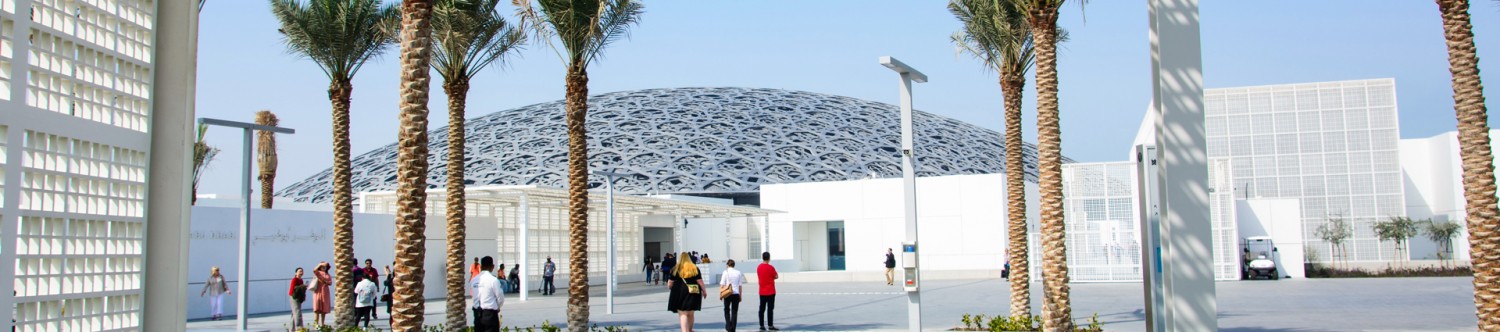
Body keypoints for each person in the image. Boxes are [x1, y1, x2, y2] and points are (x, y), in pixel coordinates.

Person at [667, 252, 707, 332]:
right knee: (691, 313)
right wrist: (704, 291)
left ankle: (684, 331)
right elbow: (700, 281)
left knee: (683, 313)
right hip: (693, 291)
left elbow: (670, 282)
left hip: (679, 292)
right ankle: (690, 329)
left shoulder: (676, 268)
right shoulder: (694, 268)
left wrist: (671, 287)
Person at [470, 256, 504, 332]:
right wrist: (498, 307)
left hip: (477, 315)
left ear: (481, 267)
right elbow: (500, 298)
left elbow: (473, 295)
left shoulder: (474, 280)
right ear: (492, 267)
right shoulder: (493, 280)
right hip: (490, 315)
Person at [720, 259, 745, 332]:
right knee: (734, 312)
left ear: (727, 265)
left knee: (726, 309)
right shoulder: (738, 273)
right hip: (736, 293)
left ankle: (728, 326)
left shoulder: (725, 272)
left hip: (727, 293)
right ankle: (733, 329)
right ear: (734, 265)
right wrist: (740, 296)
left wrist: (721, 295)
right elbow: (740, 285)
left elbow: (722, 285)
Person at [757, 252, 779, 331]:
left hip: (762, 291)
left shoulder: (759, 267)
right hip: (771, 292)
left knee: (761, 309)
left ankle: (761, 325)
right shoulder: (771, 268)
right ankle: (770, 325)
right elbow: (776, 276)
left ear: (763, 258)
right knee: (770, 309)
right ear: (769, 258)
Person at [311, 262, 333, 327]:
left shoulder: (327, 274)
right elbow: (314, 270)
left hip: (325, 291)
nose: (324, 268)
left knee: (324, 309)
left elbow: (330, 282)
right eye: (322, 267)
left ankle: (322, 323)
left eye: (325, 267)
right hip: (318, 291)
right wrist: (319, 264)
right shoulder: (318, 273)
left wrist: (326, 282)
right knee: (317, 308)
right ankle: (316, 324)